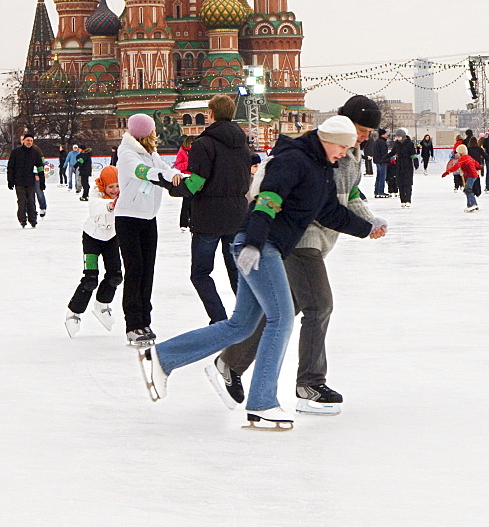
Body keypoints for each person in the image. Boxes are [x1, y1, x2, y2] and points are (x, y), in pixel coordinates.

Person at [138, 115, 387, 429]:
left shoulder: (321, 169)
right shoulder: (293, 160)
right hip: (260, 245)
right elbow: (267, 200)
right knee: (281, 318)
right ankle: (263, 403)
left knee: (241, 325)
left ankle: (161, 358)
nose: (343, 154)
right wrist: (253, 244)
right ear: (327, 138)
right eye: (342, 146)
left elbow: (329, 211)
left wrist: (367, 228)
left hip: (262, 245)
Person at [210, 95, 386, 416]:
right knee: (319, 304)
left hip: (317, 240)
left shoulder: (351, 153)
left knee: (285, 309)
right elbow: (319, 202)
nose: (364, 137)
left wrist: (369, 219)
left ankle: (231, 362)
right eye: (362, 129)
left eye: (368, 132)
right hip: (302, 238)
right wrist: (360, 224)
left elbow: (351, 193)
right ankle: (310, 383)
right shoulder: (327, 150)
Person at [178, 95, 253, 324]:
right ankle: (246, 318)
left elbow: (196, 182)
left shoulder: (203, 144)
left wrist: (172, 187)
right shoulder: (243, 144)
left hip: (208, 216)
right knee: (236, 271)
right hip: (238, 214)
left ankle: (219, 319)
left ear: (210, 114)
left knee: (200, 273)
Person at [115, 114, 184, 346]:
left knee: (148, 271)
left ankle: (145, 320)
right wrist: (164, 177)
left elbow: (168, 169)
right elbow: (141, 172)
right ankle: (132, 324)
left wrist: (183, 177)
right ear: (146, 133)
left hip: (148, 218)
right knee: (135, 270)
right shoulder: (126, 154)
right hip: (128, 218)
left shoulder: (152, 155)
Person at [65, 165, 123, 336]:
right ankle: (74, 313)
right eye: (110, 186)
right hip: (92, 237)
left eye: (117, 186)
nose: (114, 190)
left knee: (116, 276)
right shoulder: (95, 193)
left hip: (111, 237)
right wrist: (111, 205)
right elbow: (95, 206)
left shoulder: (123, 196)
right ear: (103, 185)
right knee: (90, 278)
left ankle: (102, 305)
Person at [7, 133, 45, 228]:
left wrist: (42, 182)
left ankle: (33, 219)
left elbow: (40, 167)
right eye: (28, 140)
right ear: (23, 141)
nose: (29, 142)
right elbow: (10, 167)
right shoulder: (16, 152)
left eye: (31, 141)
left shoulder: (35, 153)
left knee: (31, 200)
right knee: (22, 200)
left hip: (30, 181)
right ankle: (22, 219)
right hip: (18, 181)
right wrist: (10, 181)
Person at [442, 145, 480, 212]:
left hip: (471, 175)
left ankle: (473, 204)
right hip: (473, 175)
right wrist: (479, 167)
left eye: (458, 152)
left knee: (468, 189)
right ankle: (470, 205)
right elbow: (476, 164)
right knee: (466, 190)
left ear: (461, 152)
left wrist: (447, 172)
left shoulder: (463, 158)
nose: (457, 154)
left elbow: (456, 166)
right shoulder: (468, 157)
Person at [391, 129, 417, 206]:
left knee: (408, 184)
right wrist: (385, 157)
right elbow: (393, 152)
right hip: (399, 166)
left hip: (408, 166)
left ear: (403, 136)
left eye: (399, 136)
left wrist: (415, 161)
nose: (397, 138)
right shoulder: (396, 144)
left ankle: (408, 200)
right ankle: (403, 200)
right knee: (400, 184)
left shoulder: (409, 144)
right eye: (397, 136)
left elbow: (413, 154)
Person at [372, 127, 390, 197]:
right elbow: (384, 153)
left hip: (378, 161)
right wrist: (387, 160)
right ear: (382, 135)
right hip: (382, 161)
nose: (386, 135)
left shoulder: (377, 141)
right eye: (385, 134)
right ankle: (380, 191)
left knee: (379, 176)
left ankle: (377, 191)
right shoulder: (382, 142)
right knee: (382, 176)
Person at [33, 143, 48, 216]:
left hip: (36, 174)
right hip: (27, 176)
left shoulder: (36, 150)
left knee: (39, 191)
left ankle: (43, 207)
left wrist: (37, 174)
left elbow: (41, 163)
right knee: (29, 194)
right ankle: (32, 209)